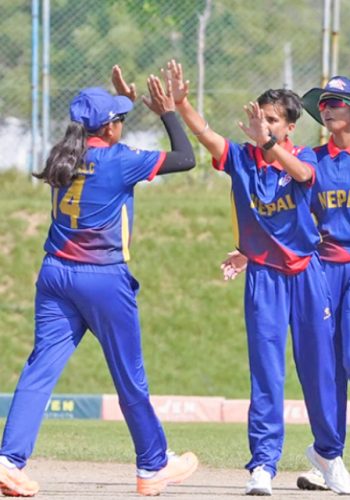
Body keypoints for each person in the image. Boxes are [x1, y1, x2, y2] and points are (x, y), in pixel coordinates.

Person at [0, 67, 199, 497]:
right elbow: (186, 157)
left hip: (55, 275)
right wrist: (166, 113)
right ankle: (153, 465)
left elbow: (109, 147)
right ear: (109, 127)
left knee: (39, 370)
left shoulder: (63, 156)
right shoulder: (119, 160)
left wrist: (122, 111)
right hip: (103, 279)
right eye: (119, 119)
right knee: (130, 377)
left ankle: (8, 460)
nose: (122, 124)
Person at [166, 60, 347, 496]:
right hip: (265, 278)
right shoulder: (242, 160)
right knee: (266, 372)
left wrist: (268, 144)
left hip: (307, 274)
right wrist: (182, 104)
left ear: (288, 128)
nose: (260, 124)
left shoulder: (301, 158)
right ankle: (263, 464)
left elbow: (304, 176)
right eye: (259, 117)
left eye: (270, 120)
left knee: (318, 370)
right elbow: (208, 135)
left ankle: (329, 453)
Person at [227, 76, 350, 491]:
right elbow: (283, 219)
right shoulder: (309, 159)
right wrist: (249, 252)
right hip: (319, 269)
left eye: (336, 103)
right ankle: (329, 456)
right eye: (323, 103)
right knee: (324, 367)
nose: (327, 109)